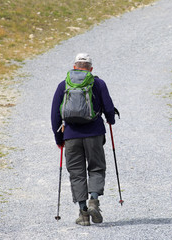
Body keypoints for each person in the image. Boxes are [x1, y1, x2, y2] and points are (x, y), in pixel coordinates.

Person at [51, 53, 116, 226]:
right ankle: (93, 201)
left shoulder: (63, 85)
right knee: (96, 167)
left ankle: (83, 214)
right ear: (91, 69)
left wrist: (59, 139)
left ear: (74, 67)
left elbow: (55, 115)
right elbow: (108, 107)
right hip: (94, 134)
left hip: (71, 136)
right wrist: (111, 120)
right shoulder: (98, 83)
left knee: (76, 173)